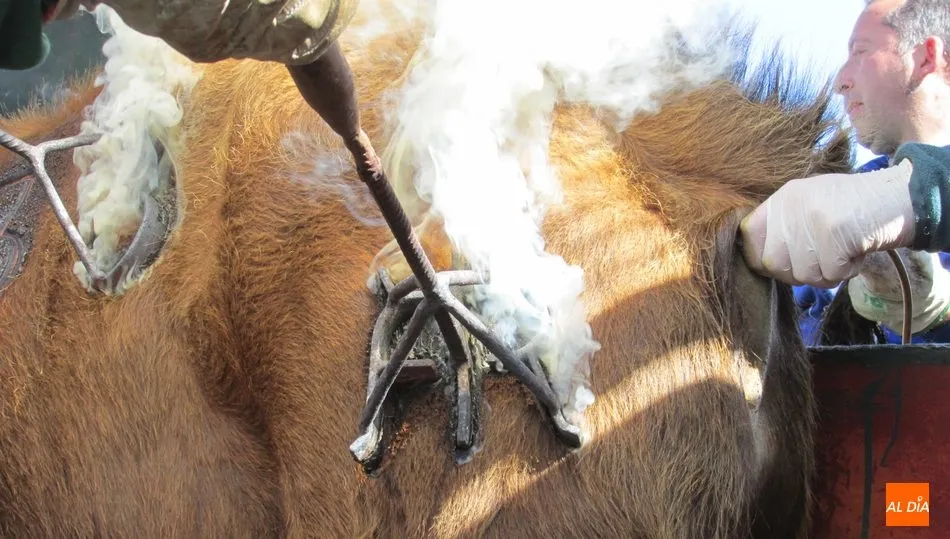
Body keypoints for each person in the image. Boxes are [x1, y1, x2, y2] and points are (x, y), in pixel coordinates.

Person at [740, 0, 950, 341]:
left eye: (860, 51)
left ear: (925, 56)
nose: (841, 81)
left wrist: (940, 317)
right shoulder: (842, 193)